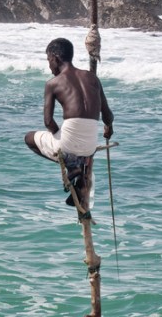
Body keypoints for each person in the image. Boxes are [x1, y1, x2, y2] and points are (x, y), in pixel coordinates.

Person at [25, 38, 113, 207]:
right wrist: (109, 128)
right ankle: (79, 175)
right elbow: (107, 116)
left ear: (55, 58)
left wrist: (58, 135)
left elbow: (48, 121)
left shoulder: (53, 83)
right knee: (73, 145)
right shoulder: (92, 78)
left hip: (67, 145)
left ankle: (72, 167)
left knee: (29, 138)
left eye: (49, 61)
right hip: (90, 147)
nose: (49, 67)